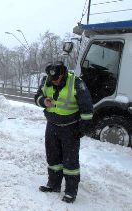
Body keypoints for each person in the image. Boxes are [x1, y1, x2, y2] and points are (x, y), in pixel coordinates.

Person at [34, 61, 93, 203]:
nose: (54, 82)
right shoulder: (46, 80)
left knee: (70, 162)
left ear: (63, 74)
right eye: (52, 79)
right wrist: (43, 101)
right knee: (53, 158)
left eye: (57, 79)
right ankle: (53, 185)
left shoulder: (76, 82)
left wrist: (82, 129)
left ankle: (71, 192)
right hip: (52, 125)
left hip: (70, 127)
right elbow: (37, 97)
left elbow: (87, 108)